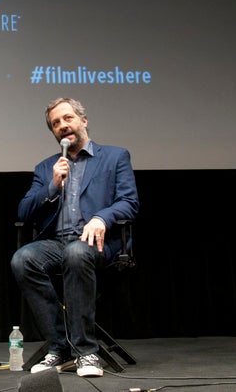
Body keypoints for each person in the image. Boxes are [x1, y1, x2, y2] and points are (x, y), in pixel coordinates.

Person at [11, 98, 139, 377]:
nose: (62, 126)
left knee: (77, 252)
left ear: (83, 120)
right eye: (55, 123)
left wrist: (101, 218)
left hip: (98, 244)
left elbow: (129, 202)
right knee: (23, 259)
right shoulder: (47, 167)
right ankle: (59, 347)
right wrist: (52, 186)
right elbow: (24, 210)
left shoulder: (115, 157)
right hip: (57, 243)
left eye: (67, 118)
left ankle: (86, 352)